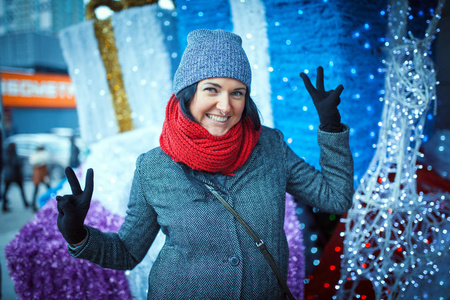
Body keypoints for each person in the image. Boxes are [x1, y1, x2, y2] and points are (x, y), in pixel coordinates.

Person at [56, 29, 354, 299]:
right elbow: (128, 252)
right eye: (212, 89)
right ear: (187, 94)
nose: (225, 106)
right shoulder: (153, 167)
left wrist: (330, 128)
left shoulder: (270, 147)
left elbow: (335, 197)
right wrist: (78, 235)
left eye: (237, 93)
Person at [2, 142, 29, 212]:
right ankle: (25, 203)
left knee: (6, 191)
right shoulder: (12, 155)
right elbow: (16, 163)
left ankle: (4, 206)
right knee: (21, 190)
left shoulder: (6, 154)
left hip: (8, 175)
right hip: (15, 176)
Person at [29, 146, 51, 212]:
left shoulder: (34, 156)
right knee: (49, 189)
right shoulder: (43, 155)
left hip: (37, 175)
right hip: (42, 175)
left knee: (36, 190)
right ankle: (52, 201)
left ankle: (33, 205)